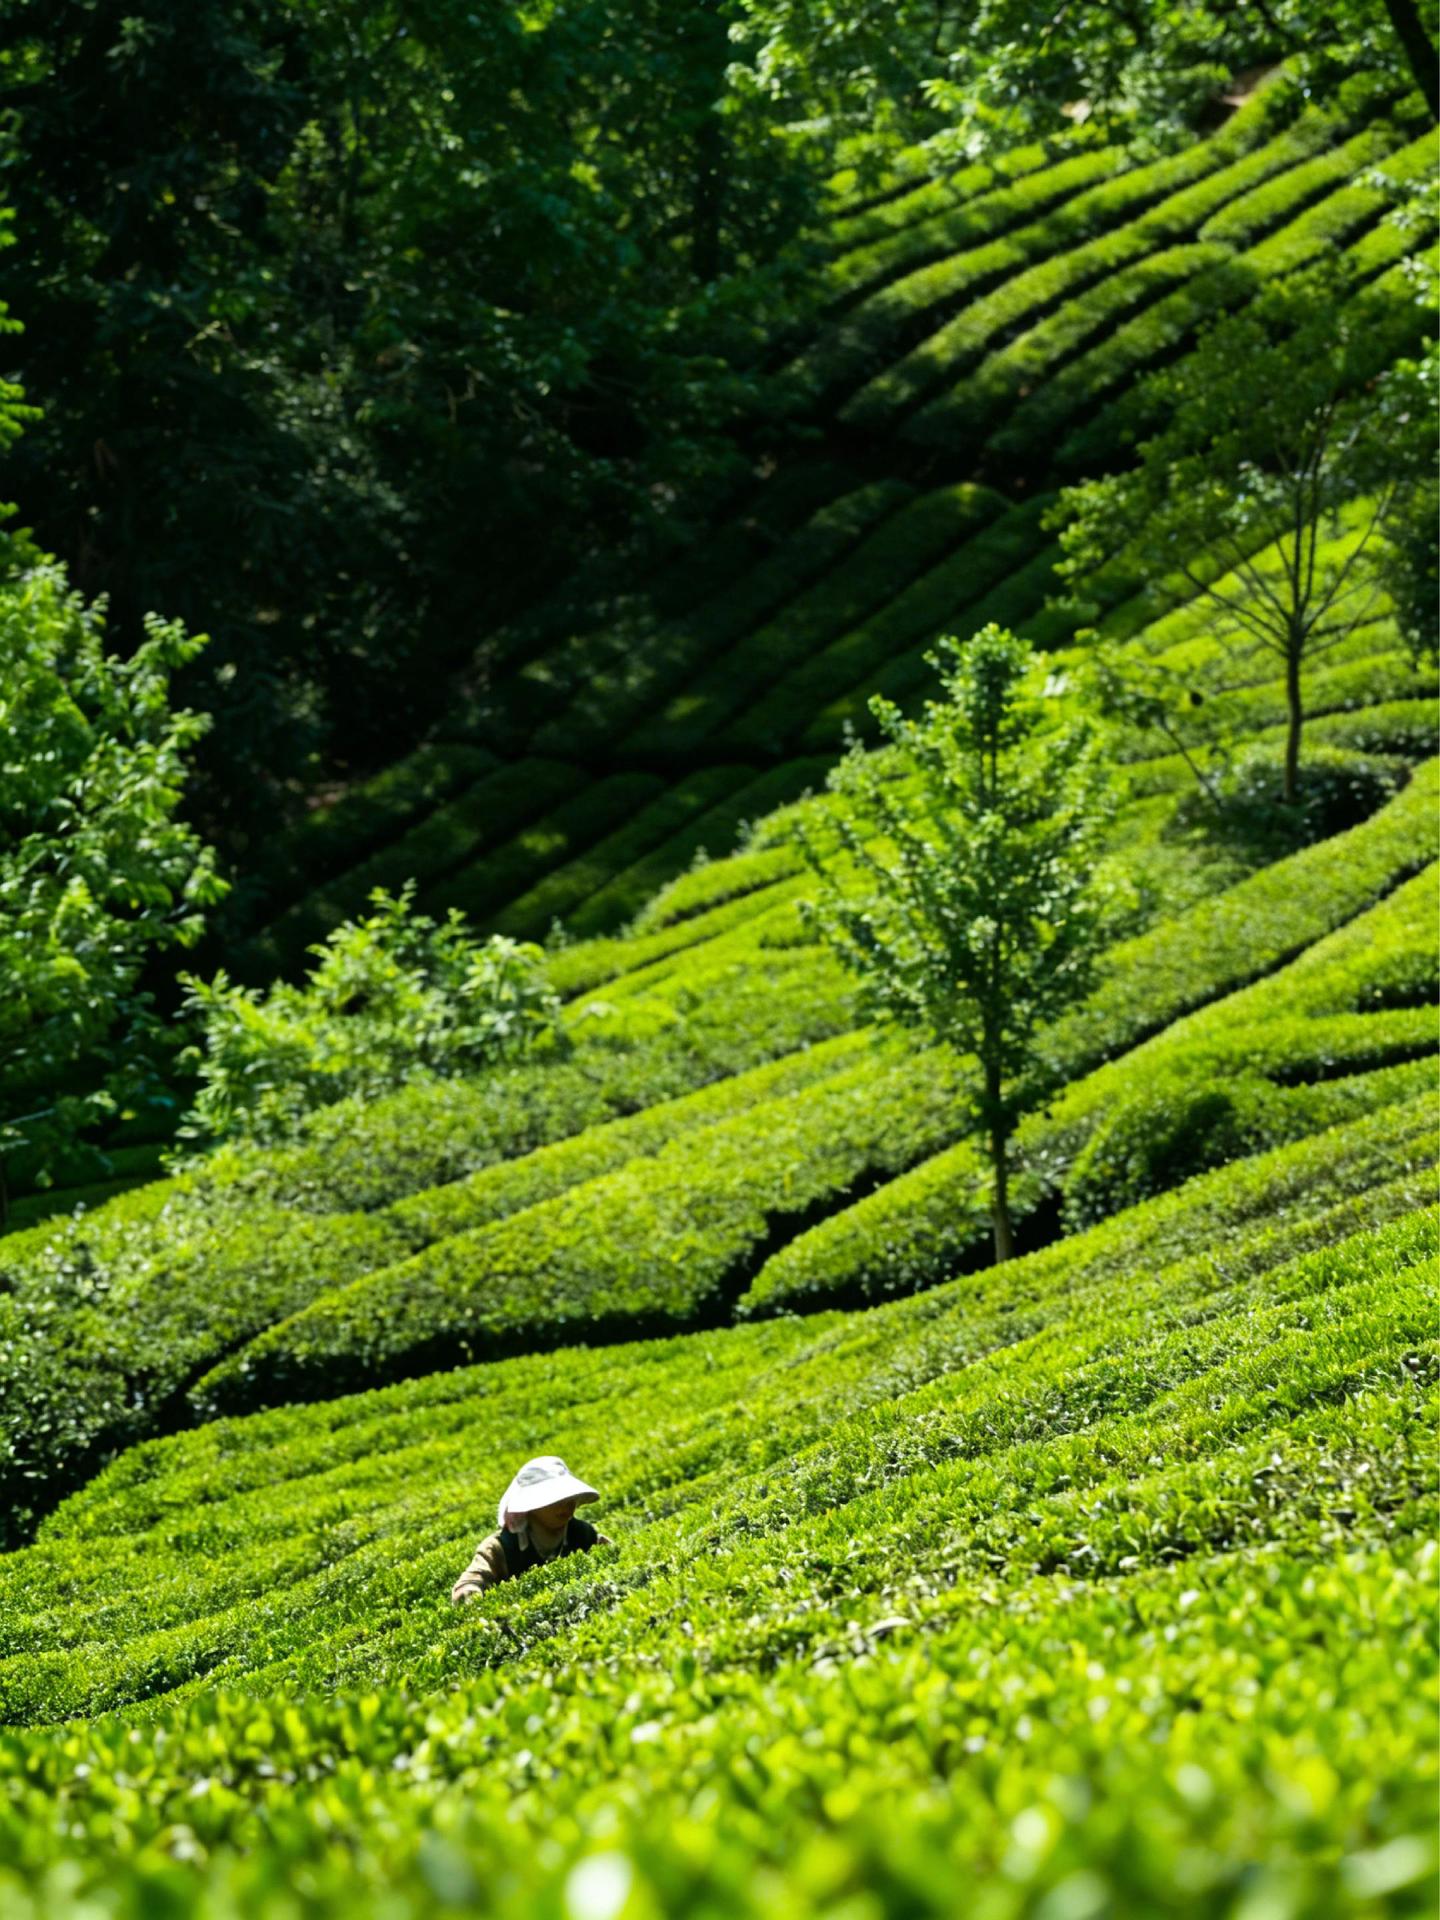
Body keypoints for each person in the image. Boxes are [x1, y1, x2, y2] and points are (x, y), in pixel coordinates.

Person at [451, 1454, 610, 1604]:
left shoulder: (584, 1534)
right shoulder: (500, 1548)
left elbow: (611, 1553)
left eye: (569, 1498)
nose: (566, 1505)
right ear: (532, 1506)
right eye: (555, 1499)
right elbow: (471, 1581)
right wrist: (470, 1594)